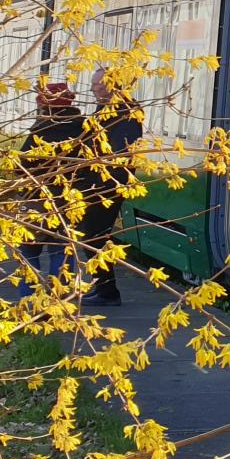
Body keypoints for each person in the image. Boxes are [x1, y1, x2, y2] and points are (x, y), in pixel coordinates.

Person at [79, 69, 143, 307]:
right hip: (96, 182)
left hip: (108, 185)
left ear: (112, 85)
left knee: (94, 234)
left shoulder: (127, 112)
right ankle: (103, 288)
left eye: (98, 85)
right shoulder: (106, 108)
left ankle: (107, 292)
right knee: (92, 234)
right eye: (93, 84)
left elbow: (119, 152)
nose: (93, 89)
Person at [18, 81, 83, 299]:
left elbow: (22, 167)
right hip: (69, 202)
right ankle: (59, 299)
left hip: (38, 201)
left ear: (45, 107)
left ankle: (29, 300)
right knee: (61, 250)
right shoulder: (85, 128)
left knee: (27, 250)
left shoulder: (41, 131)